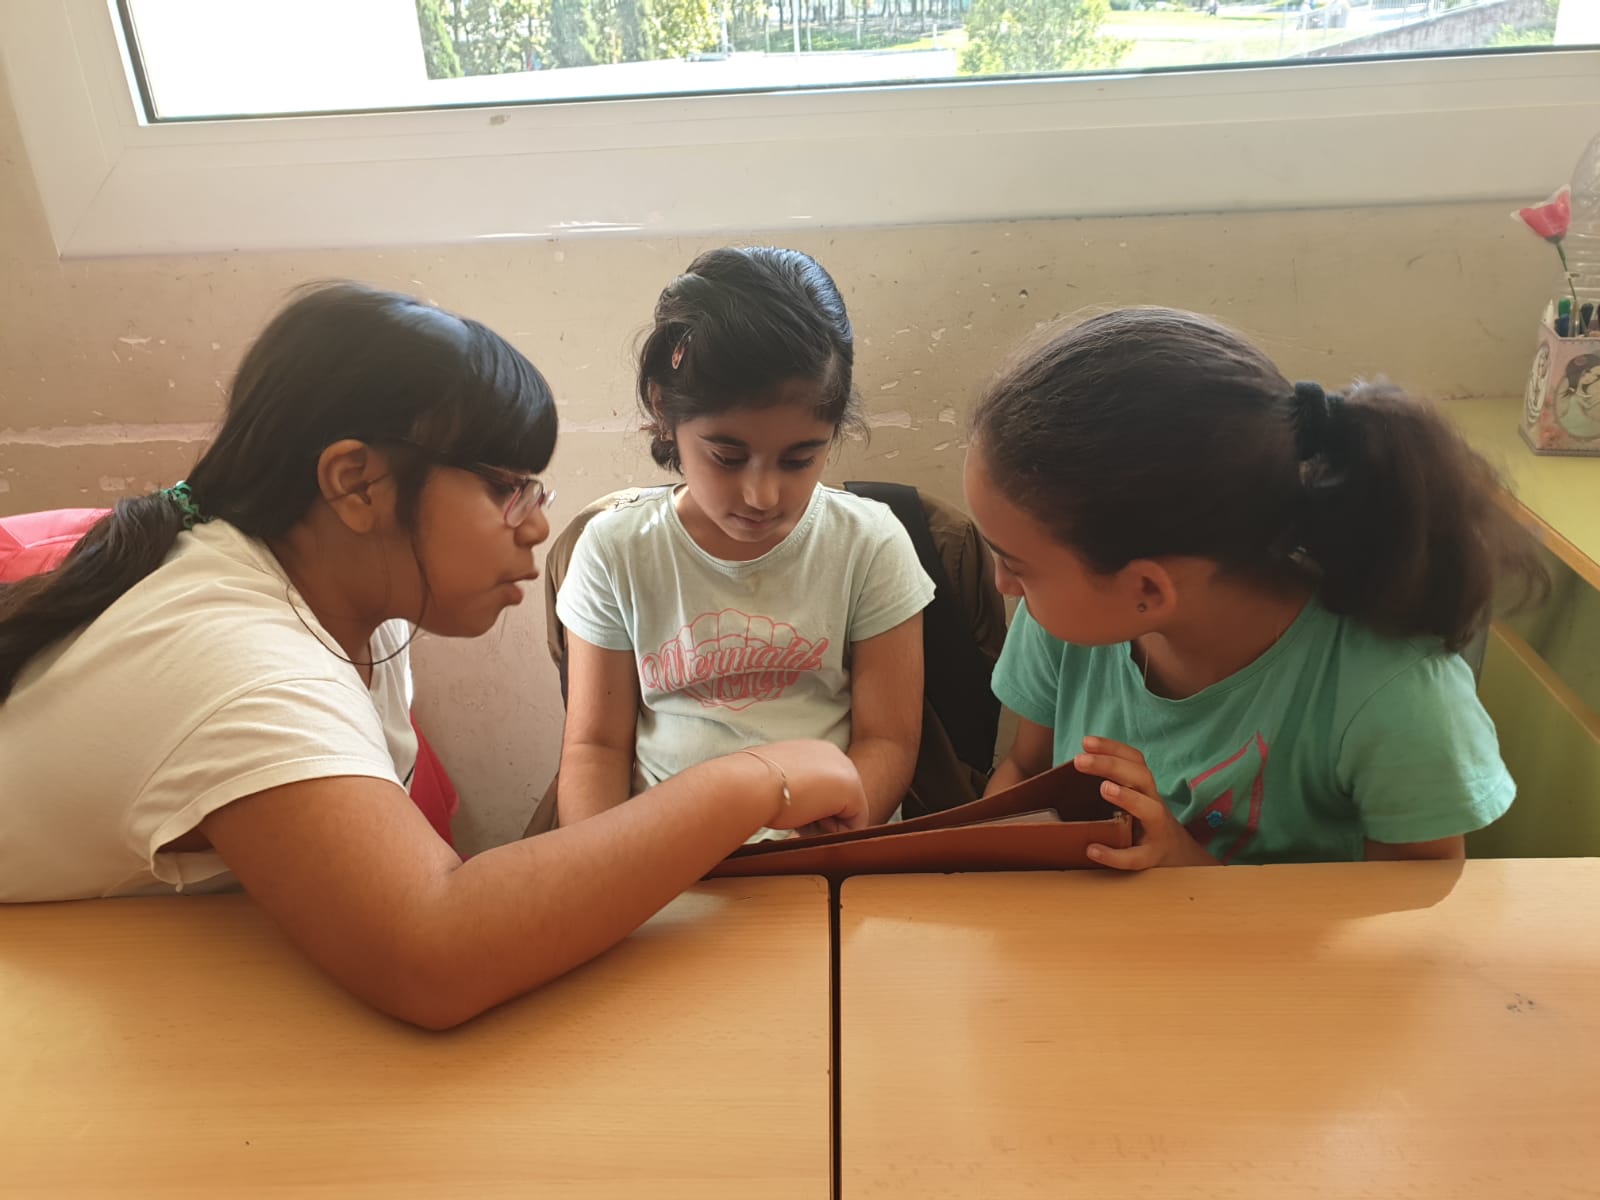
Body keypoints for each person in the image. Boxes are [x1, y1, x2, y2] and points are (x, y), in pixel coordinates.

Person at [0, 281, 867, 1027]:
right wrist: (757, 779)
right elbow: (434, 952)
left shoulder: (354, 608)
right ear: (357, 484)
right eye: (507, 488)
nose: (536, 526)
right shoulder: (240, 666)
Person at [965, 307, 1546, 868]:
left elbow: (1417, 906)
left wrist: (1181, 863)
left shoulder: (1392, 692)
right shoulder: (1069, 620)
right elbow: (1024, 771)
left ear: (1147, 588)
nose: (1003, 584)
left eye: (1015, 564)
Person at [555, 247, 934, 837]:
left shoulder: (870, 543)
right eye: (728, 457)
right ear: (662, 407)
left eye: (799, 459)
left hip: (825, 848)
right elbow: (596, 748)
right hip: (658, 856)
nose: (762, 495)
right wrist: (603, 862)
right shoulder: (615, 551)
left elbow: (887, 740)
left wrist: (828, 839)